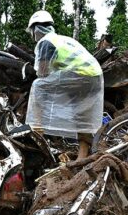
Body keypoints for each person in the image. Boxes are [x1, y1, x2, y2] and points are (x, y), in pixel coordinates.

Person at [24, 10, 104, 160]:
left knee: (38, 86)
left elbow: (42, 72)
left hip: (80, 75)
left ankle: (37, 129)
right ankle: (82, 158)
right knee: (82, 119)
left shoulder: (45, 42)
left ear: (36, 29)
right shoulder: (63, 39)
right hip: (94, 76)